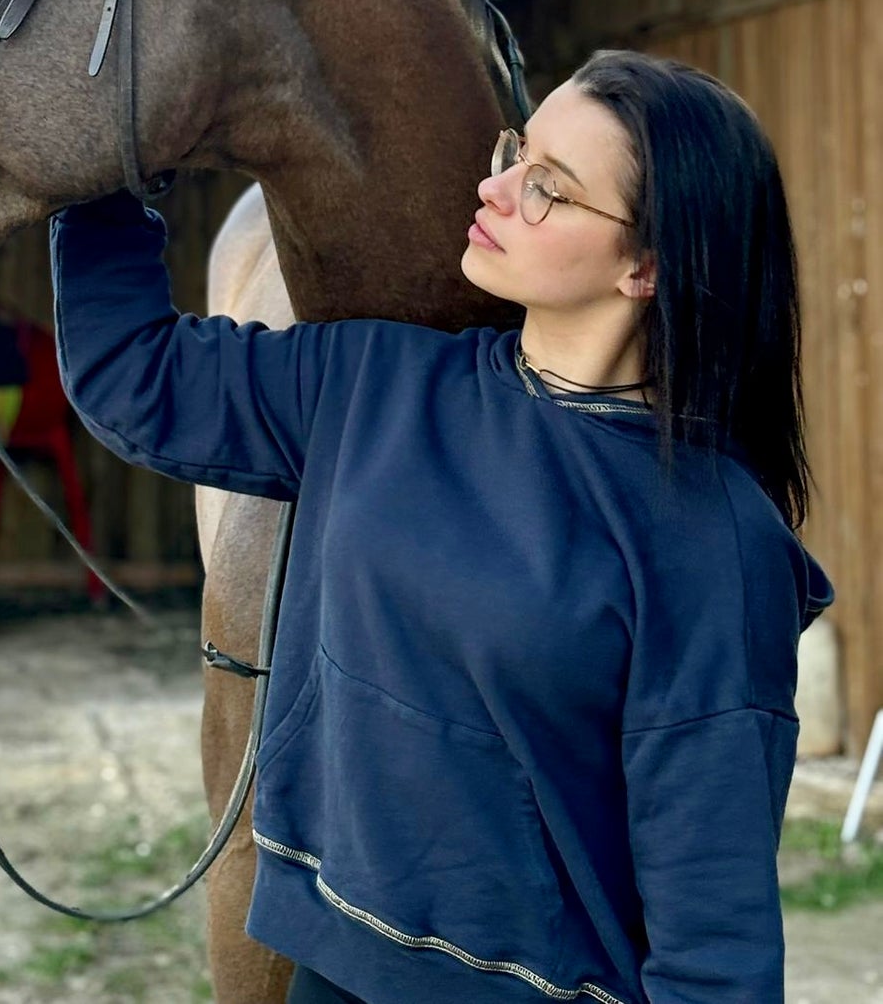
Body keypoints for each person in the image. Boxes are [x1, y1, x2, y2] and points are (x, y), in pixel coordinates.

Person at [48, 49, 834, 1004]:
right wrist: (89, 158)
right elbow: (136, 378)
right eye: (515, 153)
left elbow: (714, 934)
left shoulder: (712, 544)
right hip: (331, 963)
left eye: (547, 188)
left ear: (646, 265)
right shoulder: (374, 385)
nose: (494, 188)